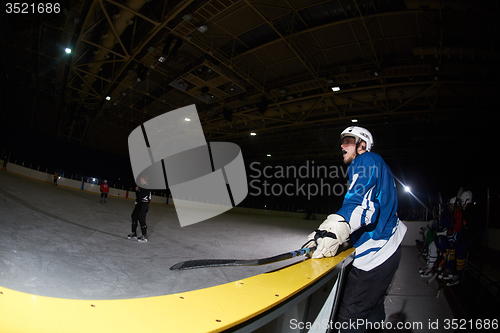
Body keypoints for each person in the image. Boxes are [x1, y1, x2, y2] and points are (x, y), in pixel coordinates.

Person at [303, 126, 407, 333]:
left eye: (349, 141)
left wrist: (334, 229)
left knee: (349, 319)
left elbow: (361, 203)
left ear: (363, 146)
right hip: (387, 252)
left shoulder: (366, 160)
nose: (342, 145)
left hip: (376, 254)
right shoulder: (377, 164)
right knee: (371, 309)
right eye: (342, 141)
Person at [128, 175, 151, 242]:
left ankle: (144, 235)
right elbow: (138, 196)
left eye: (141, 179)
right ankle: (134, 233)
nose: (140, 180)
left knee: (141, 219)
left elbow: (140, 196)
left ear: (144, 180)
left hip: (144, 205)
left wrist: (138, 191)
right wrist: (137, 191)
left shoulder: (147, 187)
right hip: (139, 204)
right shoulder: (142, 187)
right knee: (134, 216)